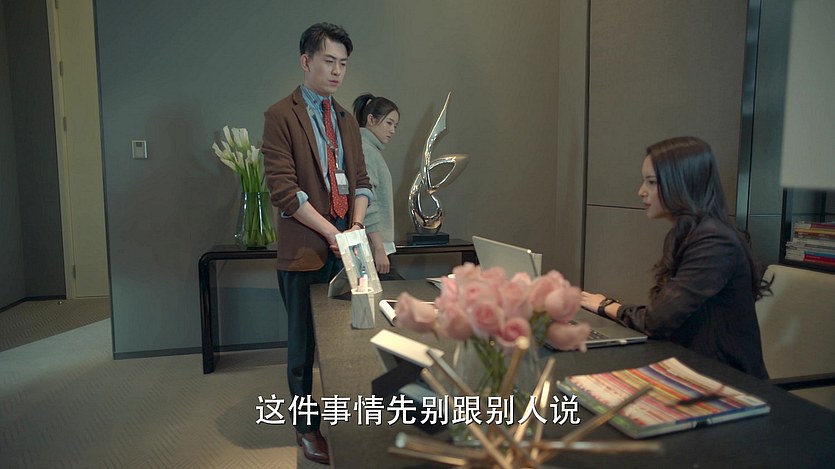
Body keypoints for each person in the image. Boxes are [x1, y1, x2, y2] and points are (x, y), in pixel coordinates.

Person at [261, 22, 372, 465]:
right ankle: (307, 428)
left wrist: (355, 227)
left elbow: (360, 180)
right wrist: (332, 232)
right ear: (306, 61)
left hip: (349, 244)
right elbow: (284, 192)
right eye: (329, 61)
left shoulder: (346, 119)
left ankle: (351, 417)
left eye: (343, 63)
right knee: (302, 347)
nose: (337, 71)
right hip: (307, 248)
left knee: (352, 338)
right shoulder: (280, 116)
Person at [580, 136, 770, 379]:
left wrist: (607, 305)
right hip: (691, 368)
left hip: (727, 380)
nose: (641, 191)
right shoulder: (689, 233)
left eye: (651, 182)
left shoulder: (714, 242)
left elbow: (656, 321)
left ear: (681, 183)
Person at [352, 93, 401, 279]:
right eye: (389, 123)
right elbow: (366, 201)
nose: (392, 130)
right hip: (374, 246)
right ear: (371, 119)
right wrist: (379, 248)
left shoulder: (368, 148)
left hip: (375, 244)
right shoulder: (366, 149)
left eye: (395, 125)